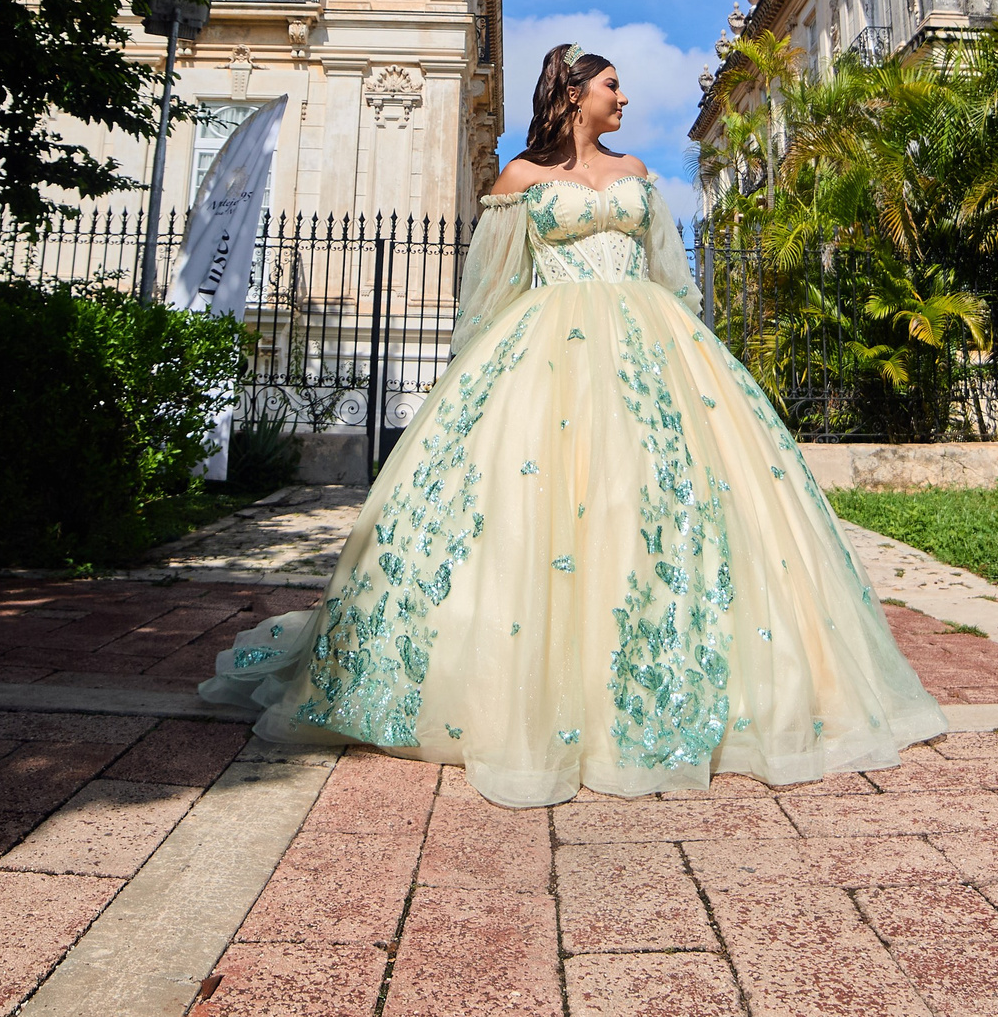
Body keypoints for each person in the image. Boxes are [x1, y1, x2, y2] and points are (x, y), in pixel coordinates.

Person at [199, 43, 945, 807]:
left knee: (646, 505)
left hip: (648, 347)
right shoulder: (521, 180)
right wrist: (474, 383)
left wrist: (690, 369)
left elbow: (670, 280)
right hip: (545, 351)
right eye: (613, 85)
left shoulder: (637, 175)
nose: (624, 99)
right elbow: (489, 294)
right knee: (540, 514)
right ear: (574, 90)